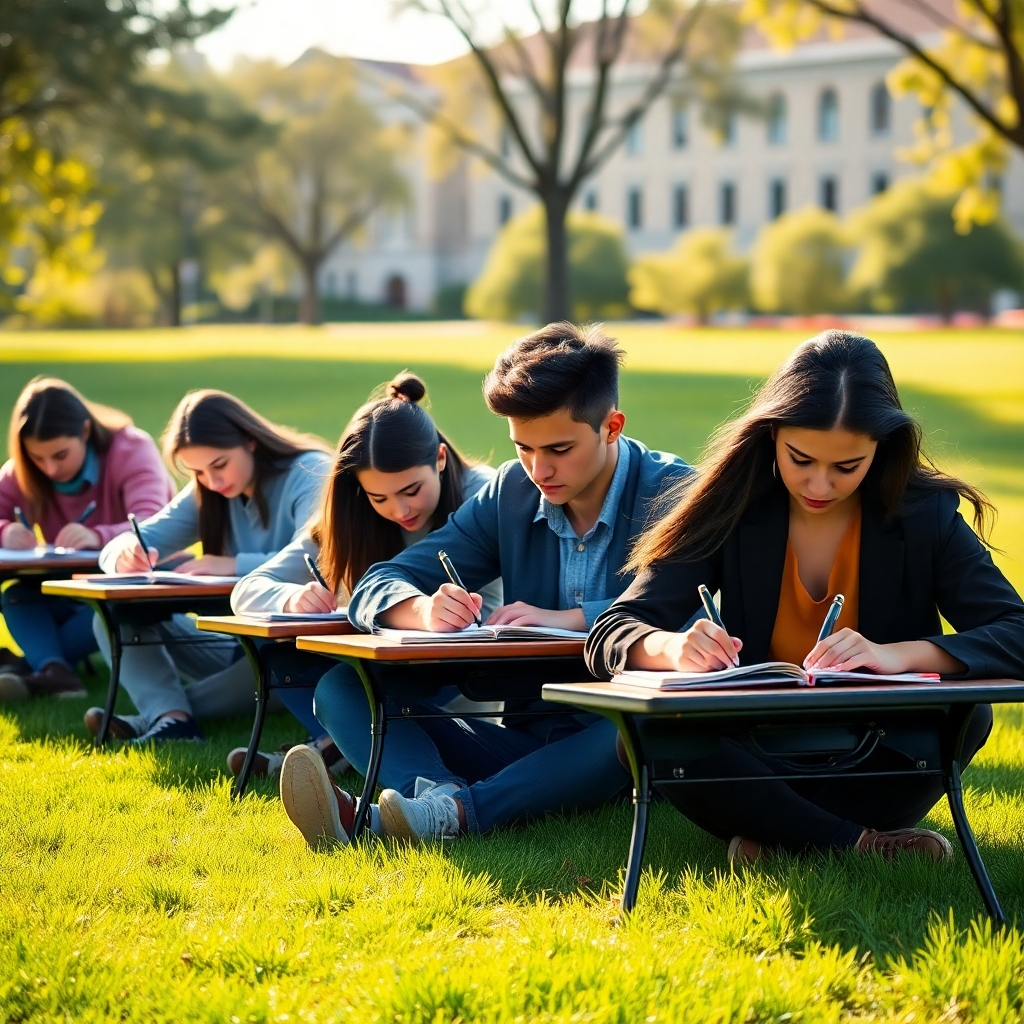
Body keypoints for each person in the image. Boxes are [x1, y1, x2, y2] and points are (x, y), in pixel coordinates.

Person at [585, 330, 1024, 865]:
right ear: (770, 435)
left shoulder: (925, 516)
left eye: (847, 467)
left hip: (875, 744)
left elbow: (1014, 631)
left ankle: (778, 836)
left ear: (881, 450)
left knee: (970, 715)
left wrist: (895, 657)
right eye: (801, 459)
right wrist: (672, 649)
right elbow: (612, 631)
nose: (819, 484)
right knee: (644, 733)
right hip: (756, 747)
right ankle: (856, 845)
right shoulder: (732, 503)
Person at [277, 322, 692, 850]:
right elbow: (379, 582)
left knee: (634, 731)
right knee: (340, 688)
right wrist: (421, 610)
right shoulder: (510, 493)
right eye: (523, 448)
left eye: (559, 449)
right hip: (523, 740)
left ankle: (430, 815)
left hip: (616, 743)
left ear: (611, 426)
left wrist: (570, 619)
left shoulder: (676, 492)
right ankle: (432, 803)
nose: (539, 469)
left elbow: (691, 613)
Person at [229, 372, 501, 781]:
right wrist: (291, 599)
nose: (400, 510)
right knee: (283, 656)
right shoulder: (349, 516)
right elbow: (247, 590)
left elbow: (493, 610)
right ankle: (335, 744)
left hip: (460, 672)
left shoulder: (485, 495)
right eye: (379, 497)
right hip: (384, 661)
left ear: (440, 459)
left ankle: (329, 748)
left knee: (364, 684)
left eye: (411, 490)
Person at [89, 390, 332, 744]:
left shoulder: (311, 471)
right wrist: (125, 553)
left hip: (292, 649)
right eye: (198, 472)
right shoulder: (207, 489)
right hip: (232, 640)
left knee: (271, 666)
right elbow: (134, 538)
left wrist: (232, 564)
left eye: (219, 465)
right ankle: (170, 719)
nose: (212, 481)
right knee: (109, 618)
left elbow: (313, 559)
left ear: (250, 440)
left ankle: (165, 716)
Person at [0, 378, 174, 700]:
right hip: (63, 587)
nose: (50, 468)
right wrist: (4, 530)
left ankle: (35, 667)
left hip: (129, 586)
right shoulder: (23, 470)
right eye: (37, 458)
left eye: (60, 455)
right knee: (16, 596)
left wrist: (98, 536)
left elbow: (155, 523)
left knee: (103, 609)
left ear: (84, 431)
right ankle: (56, 673)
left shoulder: (132, 448)